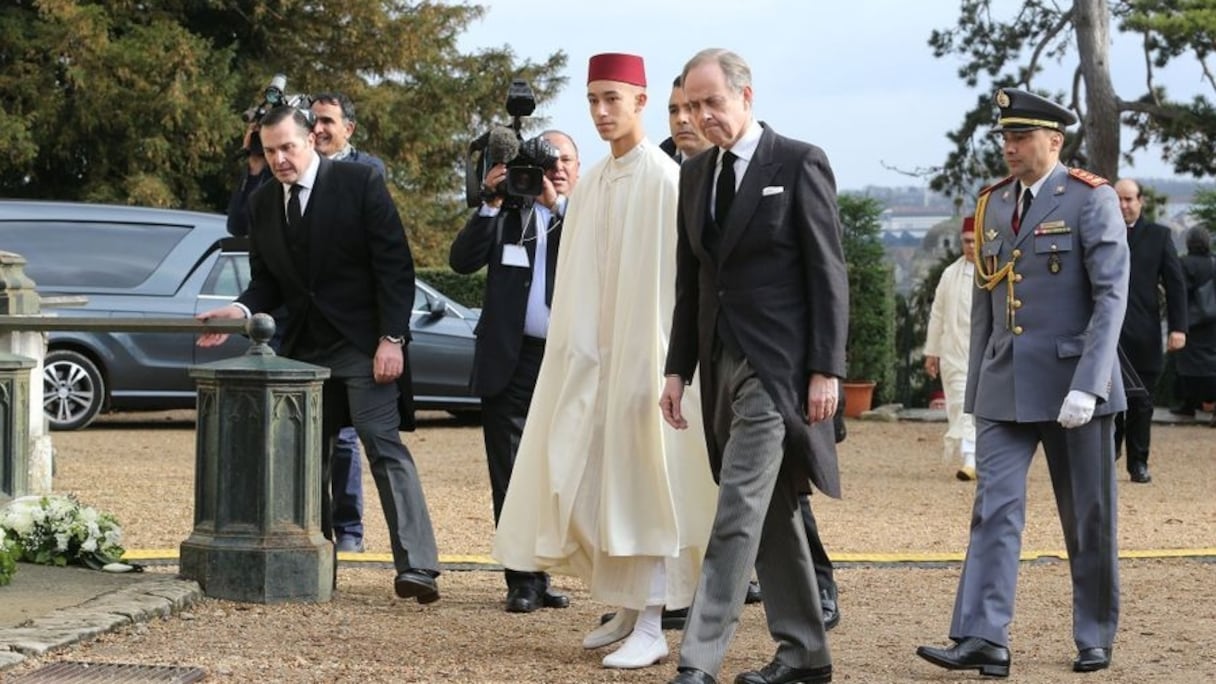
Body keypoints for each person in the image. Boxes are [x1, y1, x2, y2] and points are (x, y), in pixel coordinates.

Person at [491, 52, 718, 670]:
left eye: (611, 99)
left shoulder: (666, 180)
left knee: (647, 484)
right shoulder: (590, 184)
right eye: (592, 99)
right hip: (594, 360)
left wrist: (668, 366)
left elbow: (679, 285)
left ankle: (652, 619)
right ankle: (623, 603)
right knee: (593, 477)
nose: (600, 112)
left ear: (640, 103)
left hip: (648, 362)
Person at [916, 88, 1129, 677]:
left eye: (1021, 138)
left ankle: (1093, 634)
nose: (1009, 148)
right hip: (1006, 383)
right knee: (994, 509)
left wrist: (1089, 384)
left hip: (1073, 386)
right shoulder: (991, 204)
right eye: (1005, 138)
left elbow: (1112, 297)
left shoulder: (1091, 199)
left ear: (1054, 142)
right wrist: (977, 388)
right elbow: (986, 301)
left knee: (1088, 515)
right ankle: (985, 637)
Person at [196, 105, 442, 604]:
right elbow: (268, 281)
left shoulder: (359, 183)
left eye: (288, 146)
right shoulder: (264, 203)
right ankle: (313, 565)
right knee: (307, 459)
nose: (281, 159)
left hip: (364, 344)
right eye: (270, 151)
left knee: (381, 443)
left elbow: (395, 267)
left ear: (311, 140)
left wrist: (392, 339)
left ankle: (418, 566)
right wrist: (239, 309)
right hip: (303, 353)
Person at [661, 48, 848, 684]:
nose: (701, 116)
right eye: (690, 106)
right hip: (718, 365)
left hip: (781, 372)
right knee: (769, 509)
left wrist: (827, 369)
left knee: (738, 505)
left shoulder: (798, 162)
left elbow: (828, 274)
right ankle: (805, 654)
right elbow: (693, 282)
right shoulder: (693, 175)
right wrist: (676, 369)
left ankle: (698, 659)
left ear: (747, 96)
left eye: (712, 102)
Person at [448, 129, 581, 613]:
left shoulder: (583, 218)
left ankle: (554, 567)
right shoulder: (508, 214)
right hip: (511, 359)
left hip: (568, 361)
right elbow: (461, 262)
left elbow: (599, 262)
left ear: (577, 167)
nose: (557, 170)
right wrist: (489, 202)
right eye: (549, 164)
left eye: (565, 161)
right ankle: (523, 579)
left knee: (561, 471)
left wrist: (557, 206)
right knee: (510, 473)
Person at [309, 92, 389, 552]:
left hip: (352, 328)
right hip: (307, 327)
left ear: (348, 129)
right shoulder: (292, 170)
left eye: (327, 122)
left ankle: (350, 532)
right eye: (313, 122)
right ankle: (314, 531)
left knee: (345, 439)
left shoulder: (367, 171)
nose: (318, 130)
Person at [1112, 178, 1187, 483]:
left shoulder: (1159, 236)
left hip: (1143, 333)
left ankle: (1138, 463)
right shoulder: (1098, 234)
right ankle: (1107, 455)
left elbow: (1175, 285)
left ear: (1141, 201)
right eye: (1118, 199)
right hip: (1107, 334)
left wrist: (1179, 327)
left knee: (1142, 402)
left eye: (1129, 199)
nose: (1124, 205)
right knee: (1107, 399)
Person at [924, 216, 979, 481]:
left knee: (981, 408)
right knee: (960, 403)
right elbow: (938, 314)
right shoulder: (950, 274)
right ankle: (969, 458)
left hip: (986, 353)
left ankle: (977, 457)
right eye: (966, 241)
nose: (970, 246)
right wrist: (932, 351)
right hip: (954, 353)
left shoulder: (995, 272)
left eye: (974, 241)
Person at [1174, 227, 1216, 425]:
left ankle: (1188, 404)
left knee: (1186, 365)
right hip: (1213, 324)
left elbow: (1178, 292)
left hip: (1190, 322)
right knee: (1212, 365)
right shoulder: (1213, 262)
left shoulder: (1183, 264)